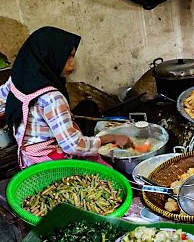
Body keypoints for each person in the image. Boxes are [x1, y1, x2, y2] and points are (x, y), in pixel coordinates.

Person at [0, 26, 132, 169]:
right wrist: (109, 138)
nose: (72, 65)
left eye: (72, 56)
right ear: (48, 56)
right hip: (51, 164)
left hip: (29, 158)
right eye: (67, 57)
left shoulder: (17, 79)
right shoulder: (52, 97)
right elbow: (72, 145)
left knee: (88, 106)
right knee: (107, 172)